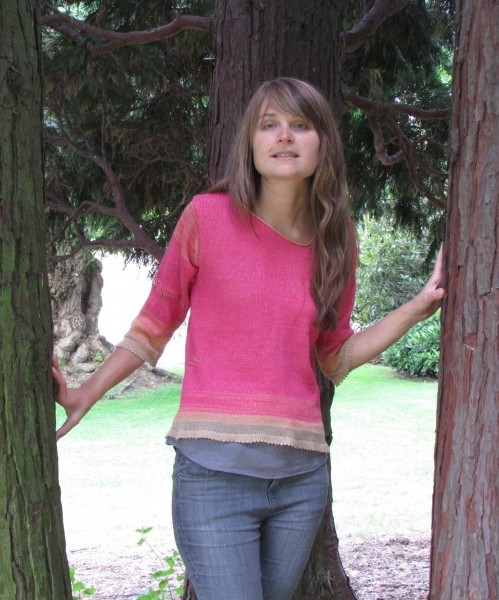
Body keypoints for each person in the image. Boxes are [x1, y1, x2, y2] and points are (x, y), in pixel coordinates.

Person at [53, 77, 445, 600]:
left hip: (301, 481)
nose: (284, 136)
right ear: (251, 143)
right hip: (214, 477)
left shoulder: (337, 241)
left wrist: (419, 307)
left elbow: (335, 356)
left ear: (323, 143)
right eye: (269, 125)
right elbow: (152, 326)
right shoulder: (206, 217)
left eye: (300, 125)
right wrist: (86, 393)